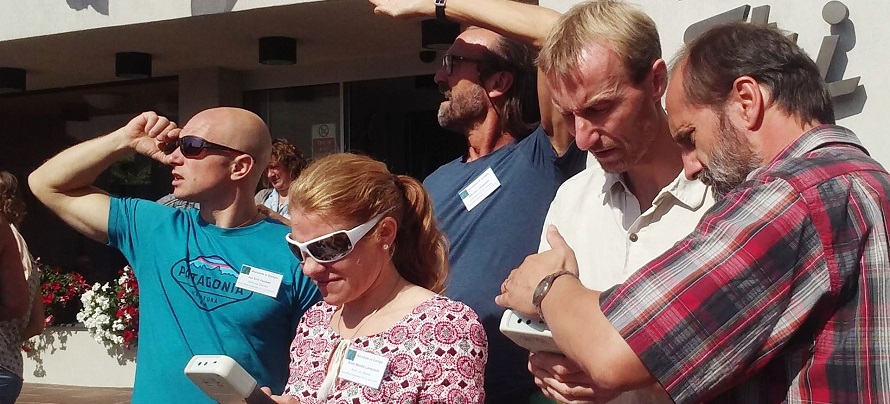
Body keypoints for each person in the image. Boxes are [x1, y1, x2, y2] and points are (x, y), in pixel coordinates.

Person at [496, 21, 890, 403]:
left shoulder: (790, 196)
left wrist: (547, 285)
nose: (691, 166)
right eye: (569, 115)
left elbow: (617, 351)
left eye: (689, 137)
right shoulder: (869, 179)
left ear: (746, 102)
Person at [28, 108, 321, 403]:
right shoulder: (154, 228)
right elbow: (46, 183)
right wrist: (124, 139)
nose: (174, 158)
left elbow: (320, 361)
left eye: (192, 146)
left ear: (239, 166)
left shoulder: (296, 253)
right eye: (175, 145)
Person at [369, 1, 584, 401]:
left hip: (520, 389)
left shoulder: (543, 155)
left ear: (499, 81)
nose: (438, 76)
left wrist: (435, 5)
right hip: (435, 382)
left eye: (453, 63)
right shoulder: (435, 180)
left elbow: (558, 30)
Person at [261, 153, 487, 403]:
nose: (309, 268)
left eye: (326, 248)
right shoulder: (314, 322)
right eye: (299, 250)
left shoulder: (444, 327)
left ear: (385, 233)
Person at [0, 172, 44, 404]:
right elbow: (37, 324)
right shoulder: (25, 253)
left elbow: (15, 304)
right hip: (10, 370)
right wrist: (10, 339)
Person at [255, 138, 307, 225]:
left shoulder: (306, 197)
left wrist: (270, 214)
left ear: (289, 165)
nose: (269, 175)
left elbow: (306, 231)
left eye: (274, 167)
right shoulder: (263, 196)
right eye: (266, 169)